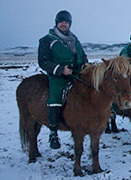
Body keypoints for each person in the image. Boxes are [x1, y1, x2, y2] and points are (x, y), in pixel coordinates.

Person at [38, 10, 88, 149]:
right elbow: (43, 61)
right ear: (56, 23)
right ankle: (53, 132)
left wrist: (84, 65)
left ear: (69, 24)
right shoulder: (47, 40)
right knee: (55, 97)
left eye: (66, 22)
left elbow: (83, 56)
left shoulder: (75, 39)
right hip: (58, 76)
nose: (63, 24)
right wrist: (61, 70)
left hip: (76, 73)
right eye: (61, 21)